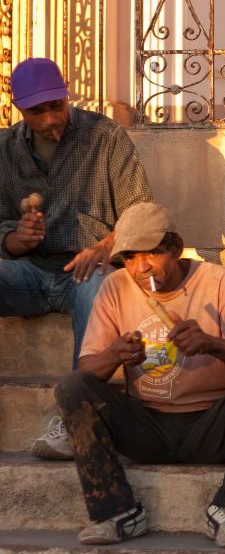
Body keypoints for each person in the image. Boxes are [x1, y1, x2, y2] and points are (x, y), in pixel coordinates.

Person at [54, 202, 225, 547]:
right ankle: (118, 512)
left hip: (211, 426)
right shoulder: (115, 287)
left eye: (150, 255)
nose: (140, 267)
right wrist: (114, 355)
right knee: (73, 387)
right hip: (146, 424)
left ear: (175, 248)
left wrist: (211, 344)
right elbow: (86, 371)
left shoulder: (215, 280)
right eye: (129, 258)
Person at [0, 57, 153, 459]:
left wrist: (104, 246)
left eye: (56, 105)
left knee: (99, 287)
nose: (50, 117)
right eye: (38, 111)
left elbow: (140, 212)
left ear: (67, 94)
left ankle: (75, 420)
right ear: (19, 109)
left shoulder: (107, 137)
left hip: (88, 272)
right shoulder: (3, 149)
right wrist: (12, 240)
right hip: (28, 273)